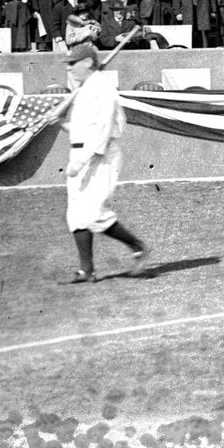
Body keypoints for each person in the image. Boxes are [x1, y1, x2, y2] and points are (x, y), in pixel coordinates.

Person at [61, 40, 150, 284]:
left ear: (88, 62)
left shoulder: (102, 89)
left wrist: (81, 161)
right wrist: (58, 122)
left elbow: (102, 131)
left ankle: (138, 246)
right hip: (80, 153)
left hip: (101, 156)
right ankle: (86, 270)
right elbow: (81, 130)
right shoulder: (85, 88)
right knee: (76, 215)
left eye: (73, 64)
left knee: (94, 213)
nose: (69, 68)